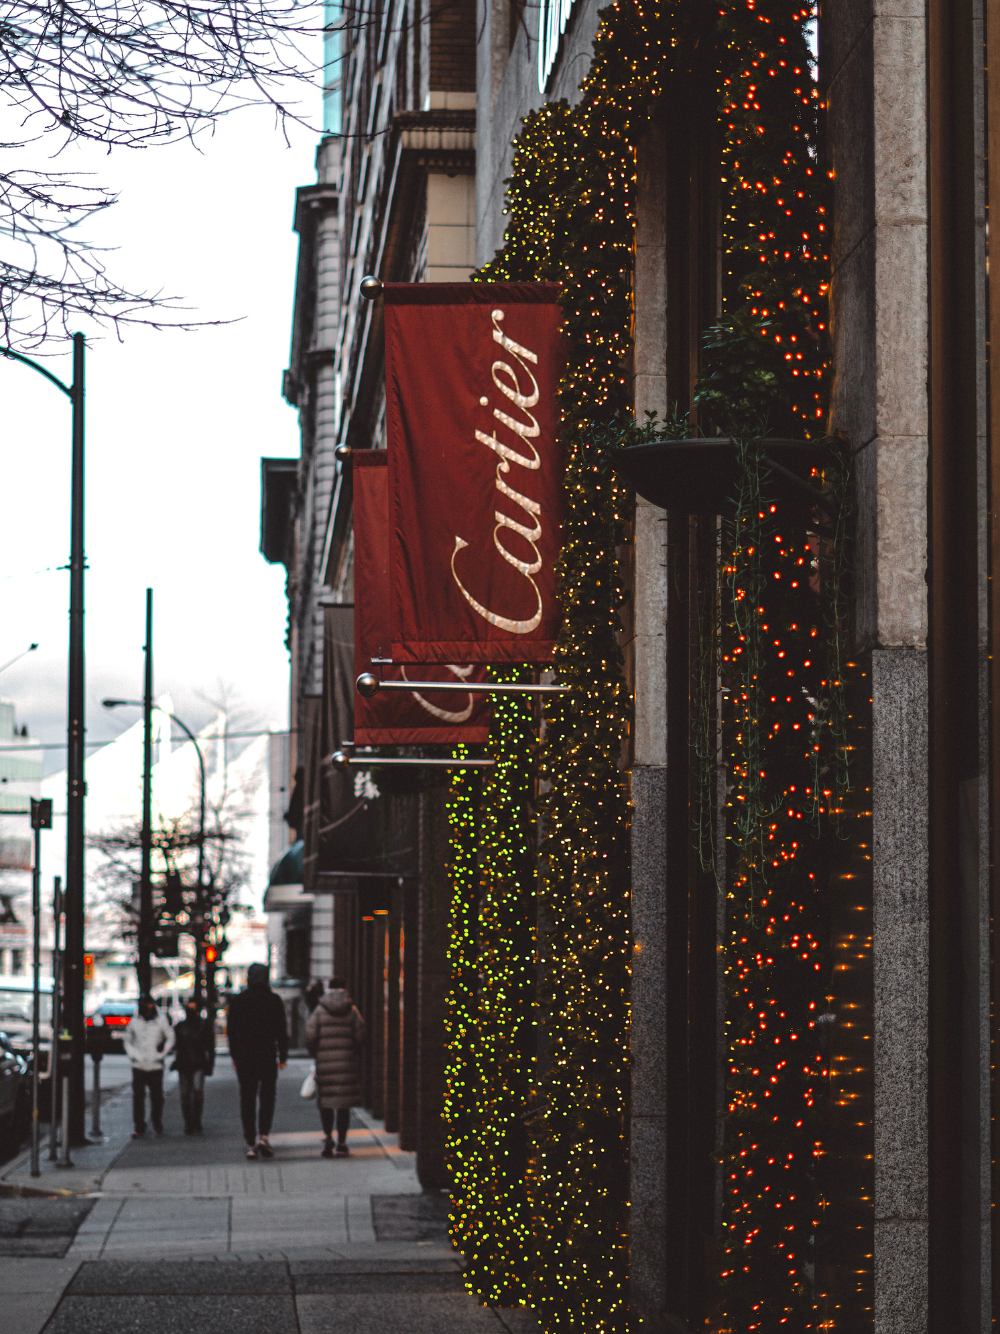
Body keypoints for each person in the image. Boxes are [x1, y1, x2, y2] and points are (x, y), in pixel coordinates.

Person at [227, 962, 289, 1160]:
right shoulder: (274, 1000)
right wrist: (283, 1055)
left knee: (247, 1097)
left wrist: (234, 1056)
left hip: (245, 1057)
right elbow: (281, 1030)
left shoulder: (239, 1001)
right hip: (267, 1055)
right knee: (268, 1096)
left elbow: (232, 1031)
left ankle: (250, 1140)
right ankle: (264, 1135)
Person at [305, 977, 366, 1158]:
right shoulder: (352, 1010)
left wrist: (317, 1053)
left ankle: (327, 1137)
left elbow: (310, 1035)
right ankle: (342, 1142)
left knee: (326, 1103)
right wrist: (353, 1051)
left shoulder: (320, 1010)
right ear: (344, 989)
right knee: (343, 1105)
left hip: (325, 1064)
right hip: (346, 1063)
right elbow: (361, 1035)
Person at [123, 994, 175, 1138]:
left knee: (156, 1096)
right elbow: (128, 1040)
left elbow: (170, 1036)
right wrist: (133, 1055)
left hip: (155, 1065)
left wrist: (162, 1053)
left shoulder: (160, 1021)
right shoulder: (135, 1022)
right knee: (138, 1096)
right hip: (139, 1065)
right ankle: (139, 1125)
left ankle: (156, 1121)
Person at [171, 999, 215, 1134]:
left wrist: (209, 1064)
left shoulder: (201, 1026)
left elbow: (210, 1047)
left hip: (196, 1063)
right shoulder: (181, 1027)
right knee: (187, 1094)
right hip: (187, 1063)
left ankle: (194, 1121)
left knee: (195, 1092)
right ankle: (190, 1122)